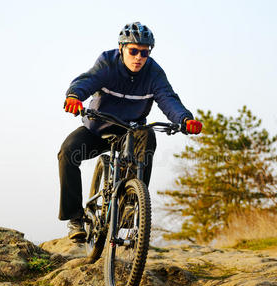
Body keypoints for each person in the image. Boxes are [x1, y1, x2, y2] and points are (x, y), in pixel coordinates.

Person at [58, 22, 203, 242]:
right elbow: (87, 80)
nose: (138, 57)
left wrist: (185, 119)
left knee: (148, 136)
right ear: (121, 48)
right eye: (133, 51)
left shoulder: (153, 73)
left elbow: (168, 99)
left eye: (144, 52)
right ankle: (75, 219)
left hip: (130, 132)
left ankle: (132, 205)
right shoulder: (107, 62)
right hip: (97, 129)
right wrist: (74, 96)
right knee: (67, 152)